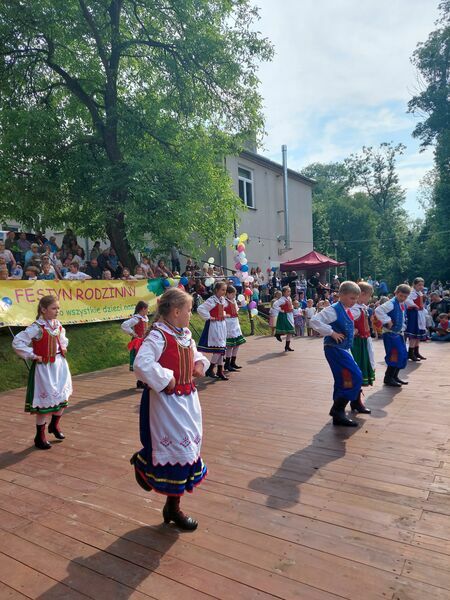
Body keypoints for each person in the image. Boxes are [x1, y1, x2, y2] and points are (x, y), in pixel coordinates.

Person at [129, 288, 209, 530]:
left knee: (189, 448)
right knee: (178, 451)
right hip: (166, 403)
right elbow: (141, 364)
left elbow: (196, 354)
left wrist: (198, 363)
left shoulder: (184, 334)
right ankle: (171, 505)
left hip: (187, 401)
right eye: (188, 310)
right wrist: (166, 377)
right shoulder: (158, 336)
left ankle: (171, 506)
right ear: (176, 312)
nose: (190, 314)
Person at [12, 295, 72, 449]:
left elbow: (63, 338)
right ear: (43, 310)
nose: (57, 311)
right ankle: (40, 436)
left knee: (63, 397)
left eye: (58, 308)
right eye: (54, 308)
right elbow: (17, 342)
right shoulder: (36, 327)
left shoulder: (57, 324)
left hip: (59, 365)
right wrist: (32, 355)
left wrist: (63, 346)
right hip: (44, 368)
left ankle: (55, 425)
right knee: (44, 405)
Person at [310, 281, 363, 427]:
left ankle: (338, 415)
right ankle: (337, 409)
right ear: (341, 295)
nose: (354, 302)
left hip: (342, 349)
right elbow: (314, 321)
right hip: (334, 349)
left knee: (344, 379)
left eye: (356, 299)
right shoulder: (333, 309)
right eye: (352, 298)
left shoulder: (346, 309)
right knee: (355, 376)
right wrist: (331, 332)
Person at [375, 284, 411, 387]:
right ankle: (388, 378)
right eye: (401, 296)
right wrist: (387, 320)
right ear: (396, 293)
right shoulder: (391, 303)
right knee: (394, 355)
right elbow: (378, 310)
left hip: (398, 334)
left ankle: (394, 376)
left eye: (405, 297)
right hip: (390, 334)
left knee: (402, 355)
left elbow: (402, 318)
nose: (403, 298)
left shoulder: (402, 304)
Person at [350, 282, 375, 413]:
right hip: (357, 344)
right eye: (369, 296)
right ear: (362, 294)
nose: (370, 299)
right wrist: (351, 329)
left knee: (361, 369)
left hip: (363, 343)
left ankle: (356, 401)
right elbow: (345, 321)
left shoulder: (361, 307)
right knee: (357, 370)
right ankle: (355, 401)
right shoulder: (354, 309)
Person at [197, 280, 228, 380]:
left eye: (225, 290)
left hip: (221, 325)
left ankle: (219, 370)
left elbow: (222, 309)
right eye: (222, 290)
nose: (224, 292)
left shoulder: (222, 299)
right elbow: (200, 308)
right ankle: (210, 369)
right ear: (216, 290)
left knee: (222, 348)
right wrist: (209, 317)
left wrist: (223, 315)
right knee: (219, 348)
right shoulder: (212, 300)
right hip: (214, 326)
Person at [121, 301, 149, 388]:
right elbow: (124, 325)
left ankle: (142, 381)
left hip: (144, 341)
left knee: (144, 361)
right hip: (138, 343)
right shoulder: (136, 319)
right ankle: (141, 381)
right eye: (147, 309)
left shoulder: (144, 318)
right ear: (143, 309)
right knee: (140, 361)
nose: (148, 311)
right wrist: (133, 333)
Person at [224, 285, 246, 371]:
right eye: (232, 294)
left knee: (237, 344)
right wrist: (226, 315)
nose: (234, 296)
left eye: (235, 294)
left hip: (235, 323)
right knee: (230, 345)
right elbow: (221, 311)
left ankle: (233, 362)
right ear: (227, 294)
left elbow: (236, 309)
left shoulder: (233, 301)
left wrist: (239, 306)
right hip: (229, 324)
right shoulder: (224, 302)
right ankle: (227, 363)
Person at [405, 277, 428, 361]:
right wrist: (414, 305)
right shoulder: (412, 292)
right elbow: (407, 300)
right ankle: (410, 353)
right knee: (414, 334)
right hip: (414, 314)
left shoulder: (419, 293)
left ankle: (416, 352)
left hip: (419, 313)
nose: (421, 286)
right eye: (419, 285)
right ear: (414, 285)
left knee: (418, 335)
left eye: (422, 285)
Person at [273, 285, 295, 352]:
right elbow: (274, 305)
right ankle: (277, 334)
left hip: (289, 315)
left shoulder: (289, 298)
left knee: (290, 332)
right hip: (284, 316)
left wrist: (292, 308)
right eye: (288, 291)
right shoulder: (282, 299)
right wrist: (281, 310)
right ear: (284, 292)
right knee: (289, 329)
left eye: (290, 291)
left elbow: (291, 305)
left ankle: (287, 346)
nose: (289, 292)